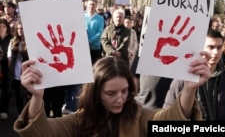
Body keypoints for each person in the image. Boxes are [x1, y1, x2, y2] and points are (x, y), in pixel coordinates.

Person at [14, 55, 210, 136]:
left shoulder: (139, 116)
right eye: (111, 93)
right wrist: (38, 97)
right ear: (96, 93)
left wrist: (190, 89)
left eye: (125, 91)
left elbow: (170, 119)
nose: (120, 99)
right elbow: (41, 132)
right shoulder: (80, 121)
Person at [164, 29, 225, 120]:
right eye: (211, 47)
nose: (216, 52)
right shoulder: (183, 79)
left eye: (219, 47)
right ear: (201, 48)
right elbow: (167, 113)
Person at [7, 21, 30, 115]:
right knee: (18, 96)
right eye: (18, 29)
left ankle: (29, 115)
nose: (20, 31)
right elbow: (9, 58)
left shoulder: (30, 41)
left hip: (27, 72)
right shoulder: (13, 42)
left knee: (28, 96)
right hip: (16, 73)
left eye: (22, 28)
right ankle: (21, 114)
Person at [84, 0, 104, 64]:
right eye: (90, 4)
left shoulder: (100, 18)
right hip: (83, 47)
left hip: (95, 47)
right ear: (86, 5)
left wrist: (89, 41)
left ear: (96, 6)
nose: (91, 6)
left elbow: (100, 32)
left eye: (93, 5)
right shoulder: (82, 16)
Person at [0, 18, 13, 119]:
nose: (1, 28)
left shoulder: (11, 38)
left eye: (3, 26)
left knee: (6, 88)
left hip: (7, 66)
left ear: (7, 28)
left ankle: (4, 110)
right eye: (0, 27)